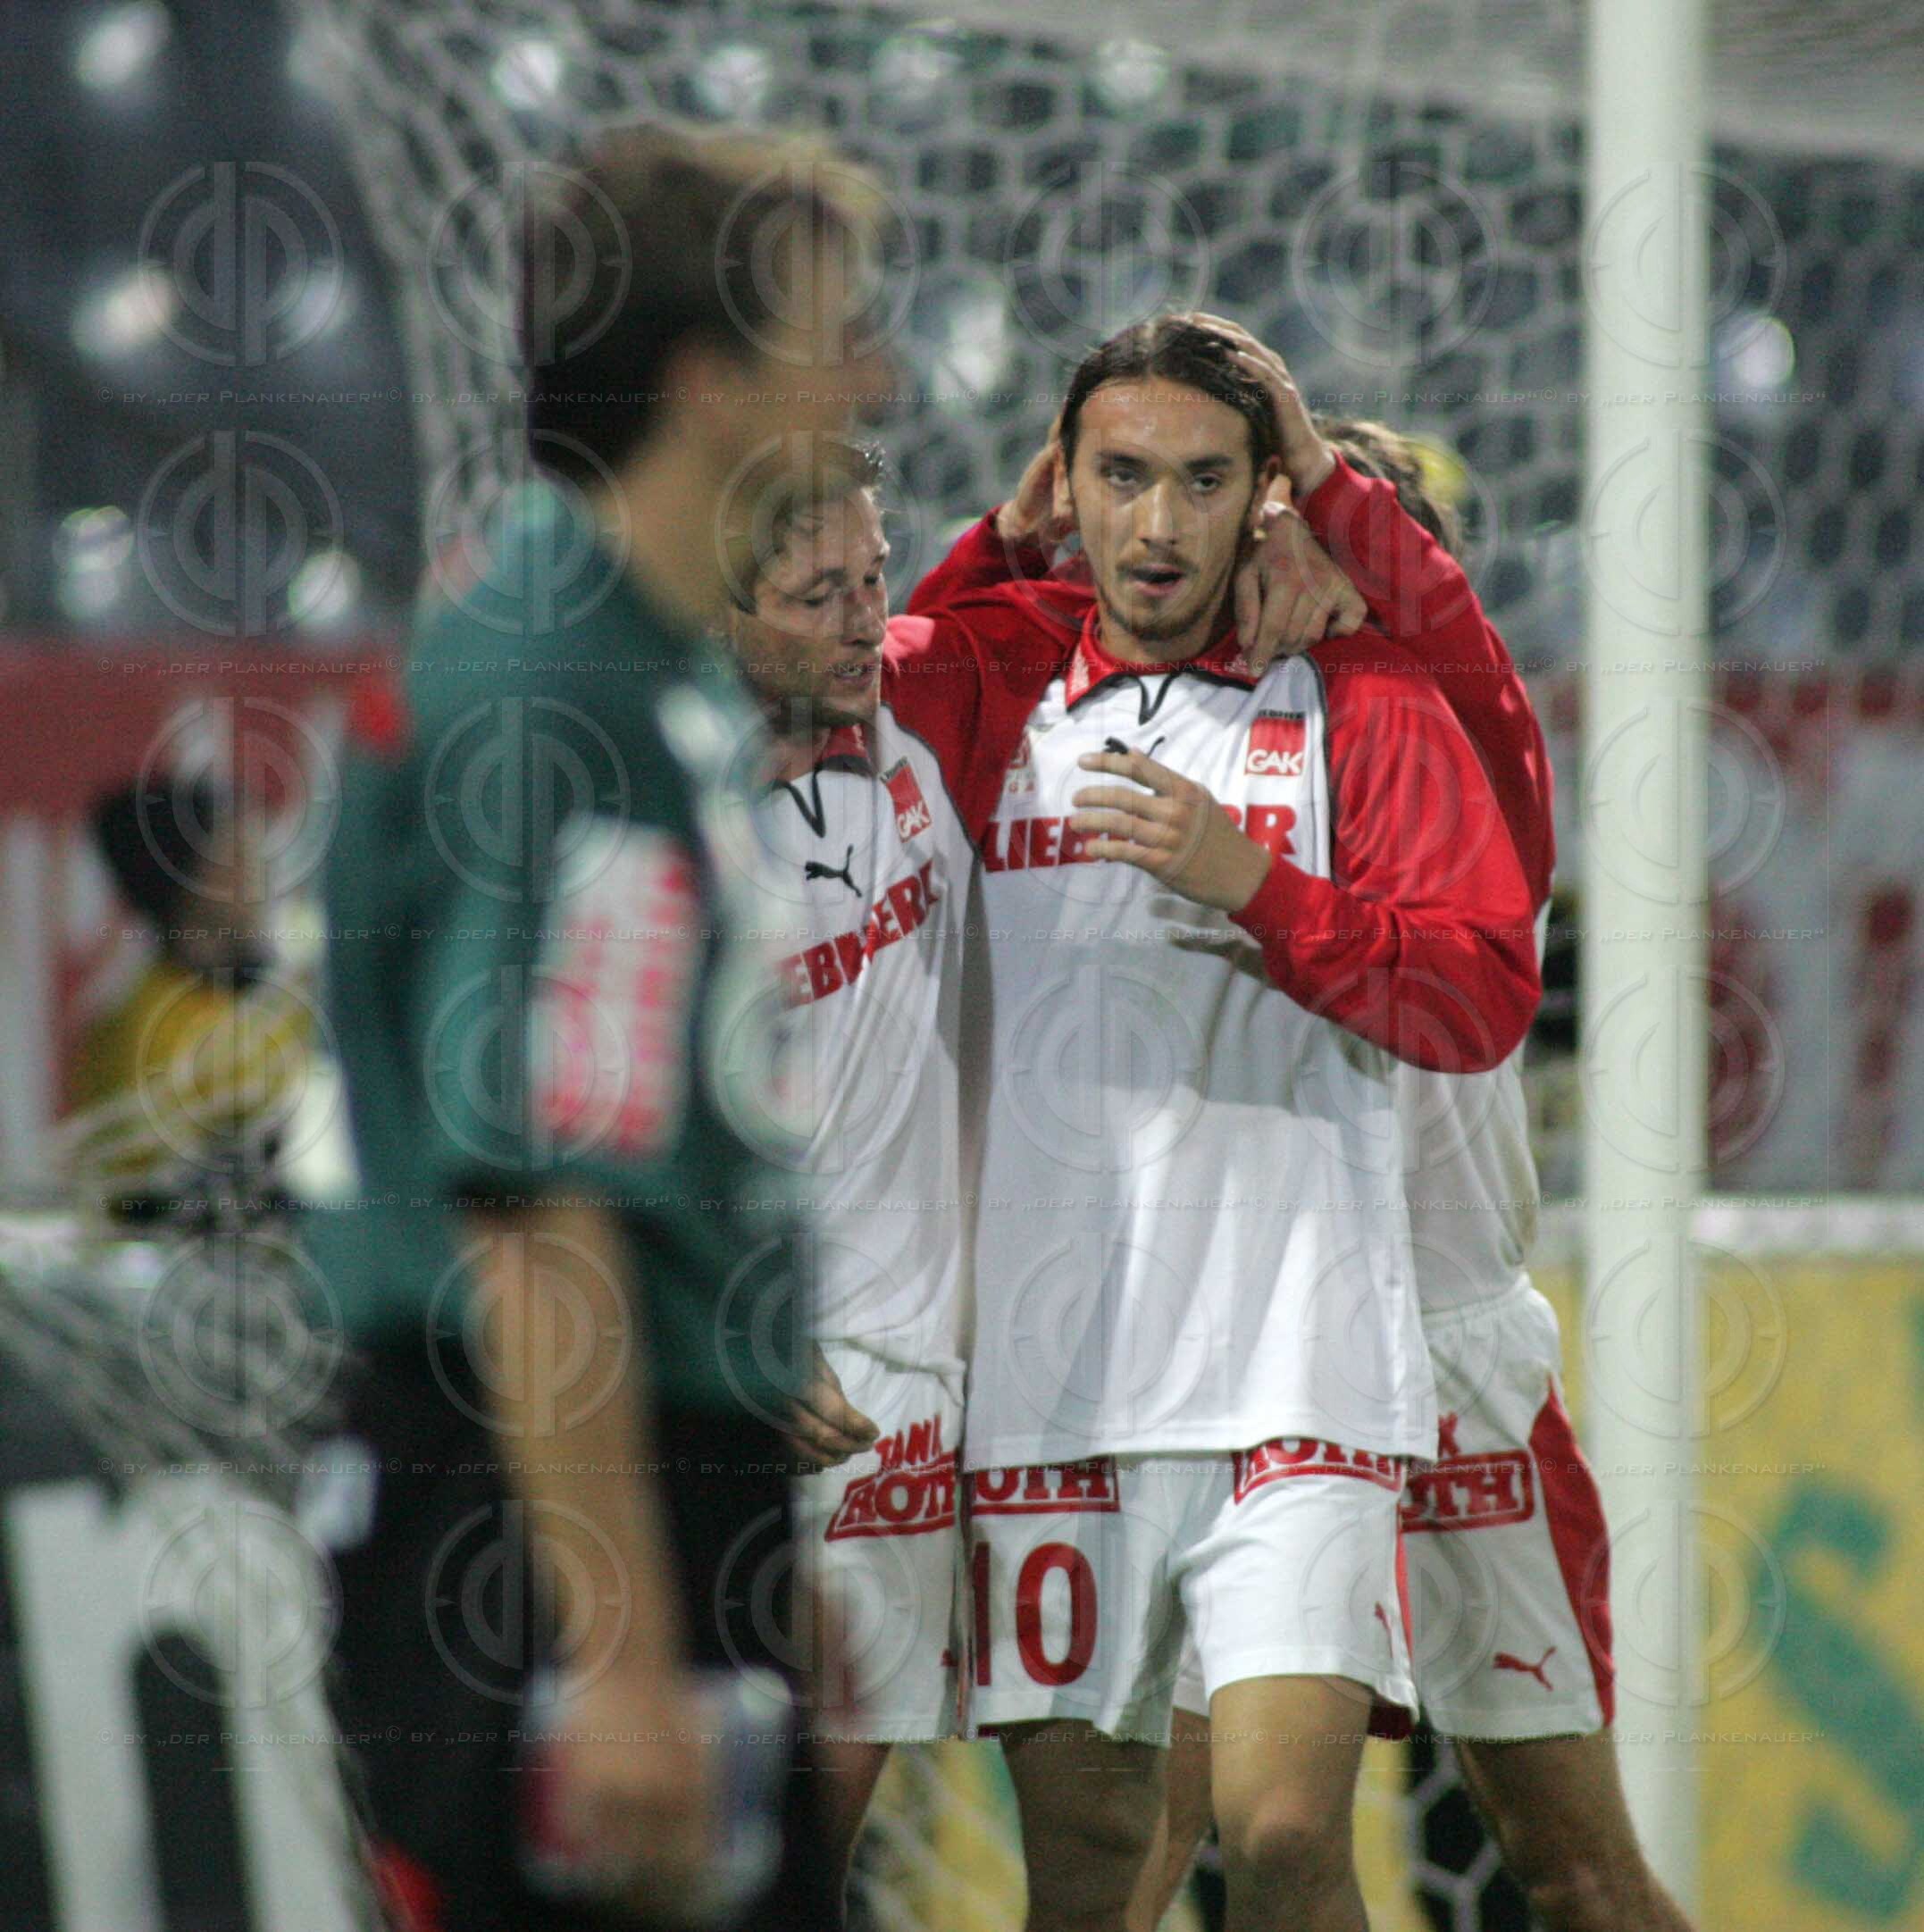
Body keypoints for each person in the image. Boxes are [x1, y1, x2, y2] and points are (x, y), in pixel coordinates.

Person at [876, 314, 1538, 1932]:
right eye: (1116, 476)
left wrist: (1258, 889)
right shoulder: (993, 684)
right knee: (1092, 1871)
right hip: (1057, 1380)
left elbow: (1476, 990)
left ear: (1262, 498)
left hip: (1297, 1365)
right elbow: (835, 674)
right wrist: (989, 544)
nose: (1154, 524)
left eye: (1196, 480)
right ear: (1068, 486)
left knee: (1286, 1825)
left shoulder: (1354, 698)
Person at [303, 120, 892, 1932]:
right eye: (829, 333)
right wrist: (626, 1647)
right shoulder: (562, 680)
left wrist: (737, 1561)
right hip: (524, 1521)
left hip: (632, 1493)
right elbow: (536, 1197)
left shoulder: (642, 660)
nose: (870, 371)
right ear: (713, 385)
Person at [1125, 330, 1696, 1932]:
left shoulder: (1453, 745)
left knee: (1569, 1871)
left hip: (1448, 1372)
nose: (1326, 566)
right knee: (1195, 1842)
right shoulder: (1158, 756)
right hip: (1234, 1371)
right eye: (1293, 531)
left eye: (1365, 531)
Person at [70, 778, 309, 1208]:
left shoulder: (271, 1010)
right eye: (241, 858)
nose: (265, 879)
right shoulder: (149, 1034)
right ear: (193, 882)